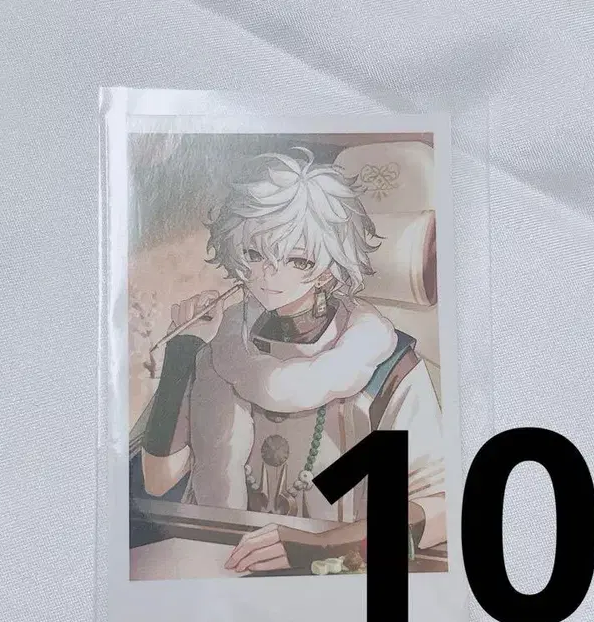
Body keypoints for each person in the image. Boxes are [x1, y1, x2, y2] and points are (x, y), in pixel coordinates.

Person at [136, 147, 447, 573]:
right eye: (254, 254)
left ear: (329, 268)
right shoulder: (215, 347)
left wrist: (322, 548)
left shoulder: (386, 367)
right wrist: (181, 351)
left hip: (337, 578)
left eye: (298, 259)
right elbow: (159, 479)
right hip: (218, 564)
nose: (270, 273)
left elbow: (439, 508)